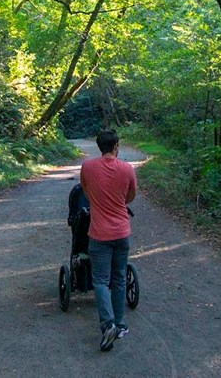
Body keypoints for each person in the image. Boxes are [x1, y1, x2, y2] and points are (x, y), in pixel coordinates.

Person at [79, 128, 137, 352]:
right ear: (116, 146)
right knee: (119, 278)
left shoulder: (88, 167)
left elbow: (85, 191)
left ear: (99, 146)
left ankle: (108, 324)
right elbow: (130, 197)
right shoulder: (126, 169)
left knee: (101, 281)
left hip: (99, 234)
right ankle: (120, 325)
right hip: (122, 232)